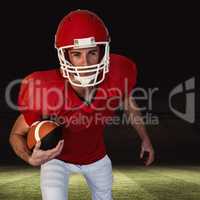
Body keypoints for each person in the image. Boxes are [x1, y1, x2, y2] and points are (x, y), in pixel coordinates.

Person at [9, 9, 154, 200]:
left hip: (97, 157)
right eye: (77, 54)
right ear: (65, 56)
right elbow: (16, 134)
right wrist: (29, 158)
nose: (85, 63)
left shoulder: (118, 75)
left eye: (92, 52)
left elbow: (128, 102)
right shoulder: (45, 89)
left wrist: (145, 138)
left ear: (103, 52)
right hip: (56, 159)